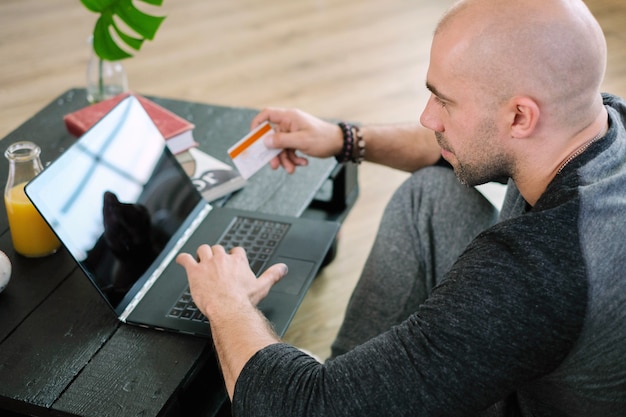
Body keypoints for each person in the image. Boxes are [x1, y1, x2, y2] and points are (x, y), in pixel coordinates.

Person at [176, 0, 626, 415]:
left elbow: (301, 410)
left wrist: (227, 302)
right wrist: (342, 139)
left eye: (444, 101)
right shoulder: (599, 121)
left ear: (520, 117)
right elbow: (453, 149)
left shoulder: (533, 274)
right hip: (548, 350)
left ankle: (346, 391)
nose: (429, 118)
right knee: (432, 194)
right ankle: (353, 378)